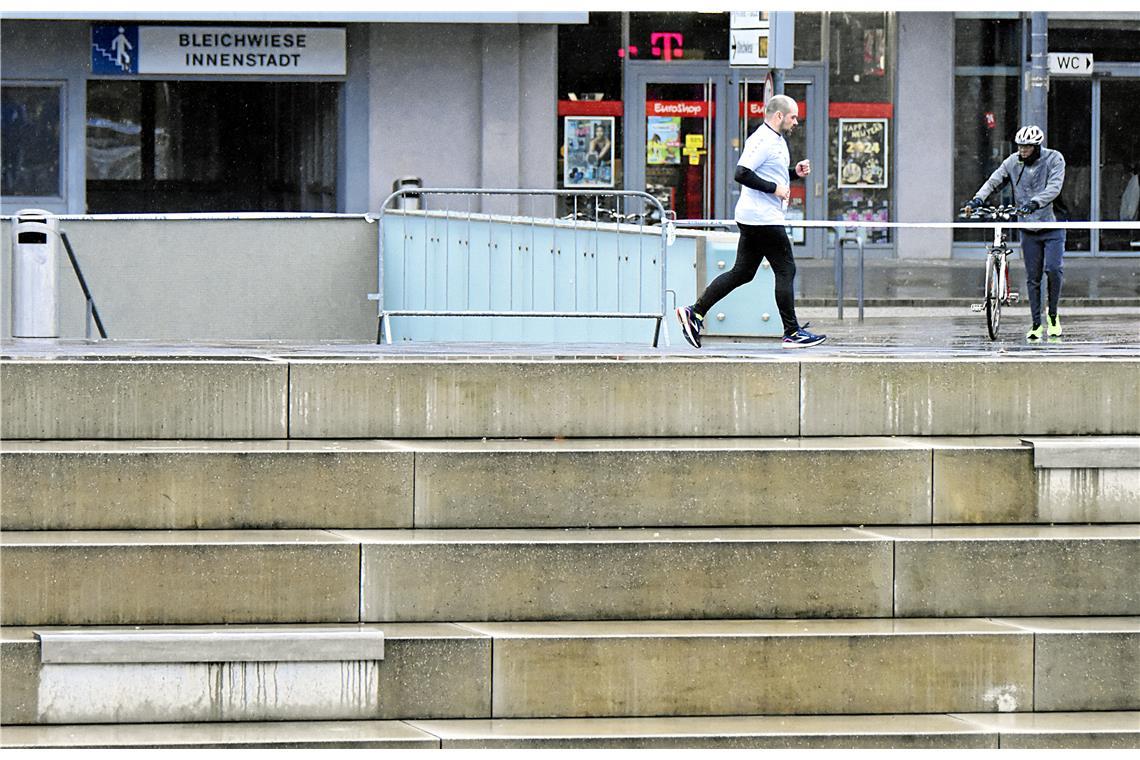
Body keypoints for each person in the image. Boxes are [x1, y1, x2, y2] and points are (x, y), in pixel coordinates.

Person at [676, 94, 824, 348]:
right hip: (762, 218)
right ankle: (792, 332)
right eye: (793, 117)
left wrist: (793, 174)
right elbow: (741, 173)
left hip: (758, 217)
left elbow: (770, 173)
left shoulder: (775, 140)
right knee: (786, 269)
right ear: (779, 116)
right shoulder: (762, 140)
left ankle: (694, 312)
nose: (796, 122)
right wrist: (774, 189)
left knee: (742, 272)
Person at [963, 125, 1067, 340]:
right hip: (1028, 227)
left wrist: (1035, 202)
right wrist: (977, 200)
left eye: (1027, 147)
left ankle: (1053, 316)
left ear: (1037, 146)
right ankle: (1036, 323)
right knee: (1033, 277)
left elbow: (1054, 187)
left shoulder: (1054, 159)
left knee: (1053, 270)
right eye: (1020, 146)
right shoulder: (1012, 162)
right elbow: (994, 181)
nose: (1023, 151)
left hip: (1051, 224)